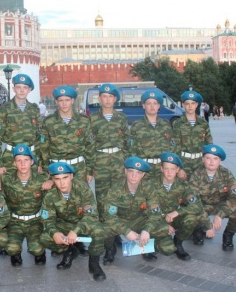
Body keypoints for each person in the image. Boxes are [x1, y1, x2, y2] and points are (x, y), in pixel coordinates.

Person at [39, 162, 106, 281]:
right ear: (53, 179)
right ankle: (70, 250)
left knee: (99, 230)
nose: (62, 182)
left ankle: (94, 263)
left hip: (83, 224)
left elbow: (91, 215)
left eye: (65, 177)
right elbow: (47, 219)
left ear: (71, 176)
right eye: (57, 179)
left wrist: (76, 231)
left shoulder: (83, 189)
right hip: (64, 224)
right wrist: (54, 233)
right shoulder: (50, 194)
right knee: (45, 238)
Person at [0, 144, 52, 266]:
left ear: (32, 162)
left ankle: (40, 253)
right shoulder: (7, 179)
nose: (23, 164)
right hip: (15, 221)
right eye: (19, 160)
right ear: (14, 163)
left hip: (35, 221)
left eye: (26, 160)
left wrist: (52, 181)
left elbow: (60, 179)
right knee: (11, 248)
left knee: (36, 248)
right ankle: (16, 253)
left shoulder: (42, 179)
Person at [102, 157, 171, 265]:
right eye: (131, 171)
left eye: (138, 172)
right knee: (105, 230)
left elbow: (156, 213)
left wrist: (147, 230)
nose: (134, 176)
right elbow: (109, 216)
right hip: (121, 220)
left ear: (143, 175)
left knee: (162, 228)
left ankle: (145, 247)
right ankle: (110, 249)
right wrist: (127, 231)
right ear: (125, 171)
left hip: (140, 220)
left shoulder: (148, 187)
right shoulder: (116, 188)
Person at [187, 144, 236, 251]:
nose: (211, 161)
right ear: (203, 160)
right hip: (203, 206)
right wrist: (208, 225)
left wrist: (220, 215)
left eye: (215, 158)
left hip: (221, 205)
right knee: (190, 211)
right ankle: (197, 230)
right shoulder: (196, 174)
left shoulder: (226, 174)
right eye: (208, 158)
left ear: (220, 161)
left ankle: (228, 235)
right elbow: (194, 202)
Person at [147, 152, 203, 261]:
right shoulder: (150, 184)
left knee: (191, 219)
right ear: (161, 169)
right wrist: (163, 223)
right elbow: (145, 209)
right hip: (155, 220)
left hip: (173, 218)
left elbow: (197, 206)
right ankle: (150, 245)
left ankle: (178, 243)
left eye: (172, 169)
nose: (169, 172)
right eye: (166, 168)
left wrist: (177, 212)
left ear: (178, 170)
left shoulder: (183, 185)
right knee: (167, 250)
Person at [40, 85, 95, 184]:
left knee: (80, 198)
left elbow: (89, 146)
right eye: (61, 100)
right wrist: (46, 172)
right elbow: (44, 149)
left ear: (72, 101)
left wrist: (90, 171)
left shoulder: (83, 121)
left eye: (67, 100)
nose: (64, 103)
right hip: (56, 169)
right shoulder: (48, 122)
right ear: (56, 102)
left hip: (78, 169)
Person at [89, 83, 129, 218]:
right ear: (99, 99)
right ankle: (104, 228)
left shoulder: (121, 118)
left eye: (110, 96)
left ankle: (116, 230)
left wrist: (126, 164)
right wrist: (90, 168)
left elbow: (126, 142)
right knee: (101, 197)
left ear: (115, 99)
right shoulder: (92, 119)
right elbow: (89, 145)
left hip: (118, 161)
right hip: (101, 162)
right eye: (104, 97)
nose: (107, 100)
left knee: (119, 195)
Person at [0, 74, 41, 177]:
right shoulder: (4, 109)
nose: (22, 90)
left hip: (30, 157)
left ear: (29, 90)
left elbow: (39, 137)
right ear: (14, 89)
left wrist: (41, 162)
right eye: (19, 87)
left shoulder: (34, 109)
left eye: (25, 87)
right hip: (10, 158)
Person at [129, 89, 179, 180]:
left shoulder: (166, 124)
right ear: (144, 106)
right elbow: (132, 150)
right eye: (149, 103)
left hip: (163, 169)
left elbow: (173, 146)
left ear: (159, 106)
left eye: (155, 103)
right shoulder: (136, 126)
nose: (152, 106)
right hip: (144, 169)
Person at [172, 90, 212, 180]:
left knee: (200, 190)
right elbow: (175, 147)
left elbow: (209, 144)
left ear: (197, 105)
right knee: (184, 190)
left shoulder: (203, 123)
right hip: (184, 162)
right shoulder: (178, 124)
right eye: (187, 104)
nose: (190, 106)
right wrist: (179, 168)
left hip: (200, 162)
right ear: (183, 105)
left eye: (193, 103)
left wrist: (208, 163)